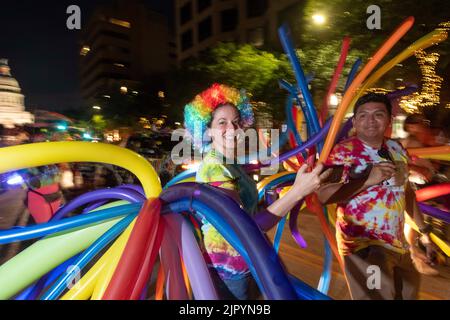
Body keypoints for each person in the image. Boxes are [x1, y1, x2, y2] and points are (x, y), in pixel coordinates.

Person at [183, 83, 330, 300]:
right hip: (229, 272)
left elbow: (247, 212)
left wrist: (270, 200)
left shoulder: (231, 164)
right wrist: (298, 191)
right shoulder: (215, 167)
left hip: (248, 261)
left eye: (236, 122)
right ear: (207, 130)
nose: (232, 129)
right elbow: (246, 226)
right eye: (222, 123)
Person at [316, 92, 438, 300]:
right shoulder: (343, 152)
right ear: (354, 121)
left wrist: (424, 232)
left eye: (378, 114)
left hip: (399, 245)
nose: (370, 120)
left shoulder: (396, 148)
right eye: (363, 115)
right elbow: (323, 195)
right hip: (364, 246)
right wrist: (367, 180)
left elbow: (406, 192)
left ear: (389, 119)